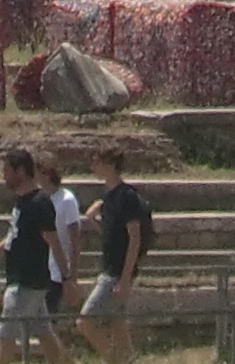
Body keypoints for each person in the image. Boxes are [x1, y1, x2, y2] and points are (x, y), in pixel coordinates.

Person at [73, 151, 154, 360]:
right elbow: (111, 235)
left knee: (85, 322)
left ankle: (114, 360)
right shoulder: (109, 197)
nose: (93, 166)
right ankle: (127, 359)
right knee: (117, 321)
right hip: (109, 268)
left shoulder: (126, 196)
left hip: (116, 273)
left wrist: (125, 279)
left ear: (110, 164)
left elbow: (134, 238)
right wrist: (92, 218)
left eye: (96, 161)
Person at [0, 147, 60, 355]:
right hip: (22, 281)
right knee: (47, 338)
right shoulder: (21, 203)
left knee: (6, 340)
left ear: (21, 171)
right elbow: (12, 238)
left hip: (27, 284)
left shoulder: (39, 202)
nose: (4, 176)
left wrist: (68, 278)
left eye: (7, 171)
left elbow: (54, 241)